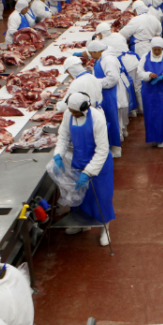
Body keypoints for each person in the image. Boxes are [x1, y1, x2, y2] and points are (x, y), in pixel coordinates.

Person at [50, 93, 115, 241]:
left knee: (101, 197)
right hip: (79, 160)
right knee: (79, 197)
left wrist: (88, 172)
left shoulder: (97, 118)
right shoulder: (69, 113)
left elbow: (102, 150)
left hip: (100, 164)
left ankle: (105, 230)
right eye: (71, 111)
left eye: (75, 112)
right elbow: (63, 136)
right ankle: (81, 225)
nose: (72, 114)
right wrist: (58, 154)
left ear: (84, 109)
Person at [87, 40, 125, 158]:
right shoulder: (102, 59)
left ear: (98, 51)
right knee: (111, 119)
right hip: (105, 93)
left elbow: (112, 79)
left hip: (110, 94)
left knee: (112, 120)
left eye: (92, 53)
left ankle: (116, 149)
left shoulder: (108, 60)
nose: (91, 56)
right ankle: (115, 142)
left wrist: (94, 82)